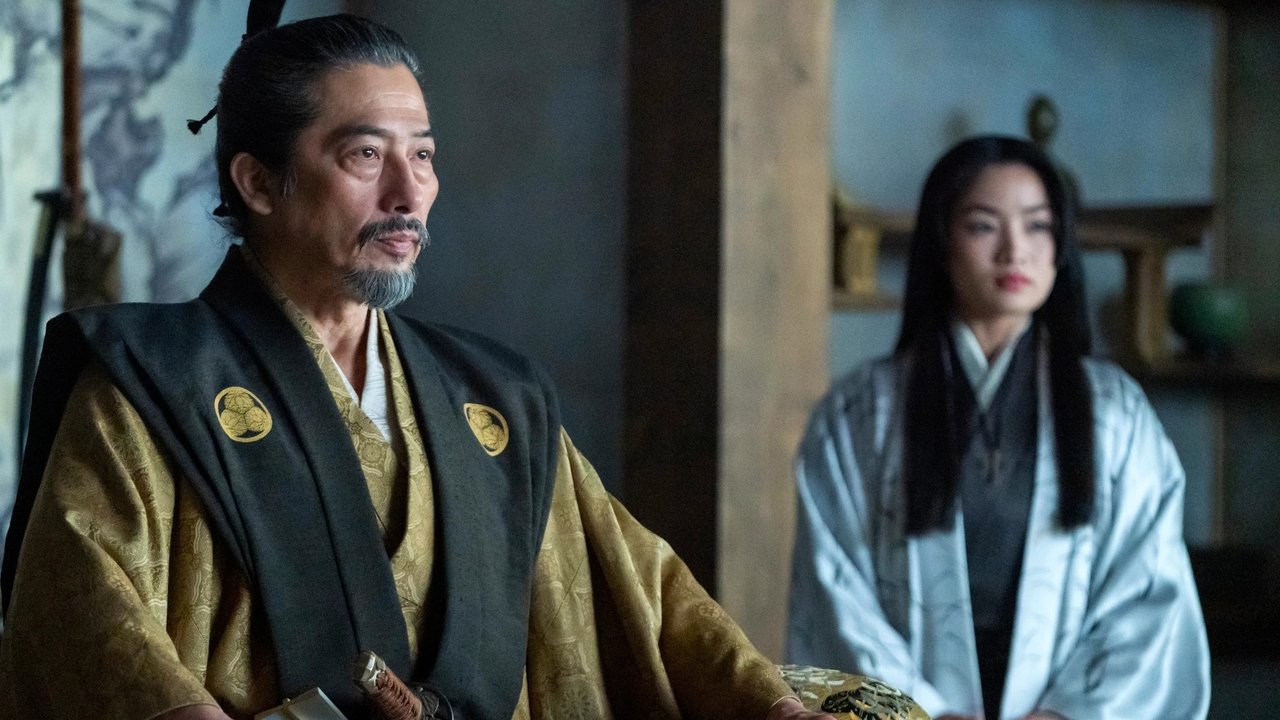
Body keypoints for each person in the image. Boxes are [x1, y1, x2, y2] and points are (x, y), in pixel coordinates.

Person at [0, 14, 847, 720]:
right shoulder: (151, 383)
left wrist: (771, 707)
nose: (410, 194)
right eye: (366, 156)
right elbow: (83, 617)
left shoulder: (492, 397)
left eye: (425, 155)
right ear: (257, 182)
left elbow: (645, 593)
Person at [786, 136, 1210, 720]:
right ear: (942, 244)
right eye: (984, 226)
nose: (1015, 251)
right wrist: (928, 713)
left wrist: (1063, 714)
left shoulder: (1114, 411)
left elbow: (1147, 586)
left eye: (1037, 226)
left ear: (1060, 247)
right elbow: (836, 588)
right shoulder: (860, 413)